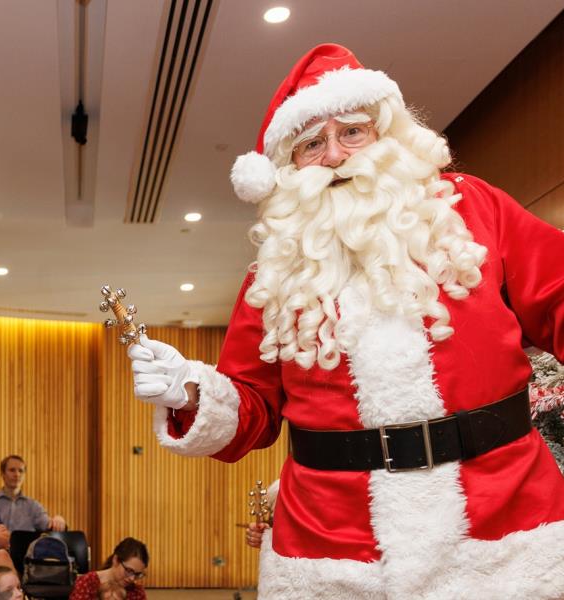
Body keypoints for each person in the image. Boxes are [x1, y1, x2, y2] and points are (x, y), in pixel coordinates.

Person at [127, 43, 564, 599]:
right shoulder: (274, 272)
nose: (335, 154)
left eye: (351, 132)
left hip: (504, 532)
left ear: (385, 135)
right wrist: (191, 392)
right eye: (312, 143)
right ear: (288, 169)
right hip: (334, 551)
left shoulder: (473, 211)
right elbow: (253, 409)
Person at [0, 456, 66, 532]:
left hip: (25, 547)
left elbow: (50, 526)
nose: (17, 475)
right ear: (2, 473)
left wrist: (59, 521)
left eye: (21, 471)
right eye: (12, 470)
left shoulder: (34, 506)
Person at [69, 537, 148, 600]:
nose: (132, 578)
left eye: (137, 574)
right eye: (129, 570)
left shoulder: (137, 592)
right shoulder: (87, 583)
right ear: (116, 560)